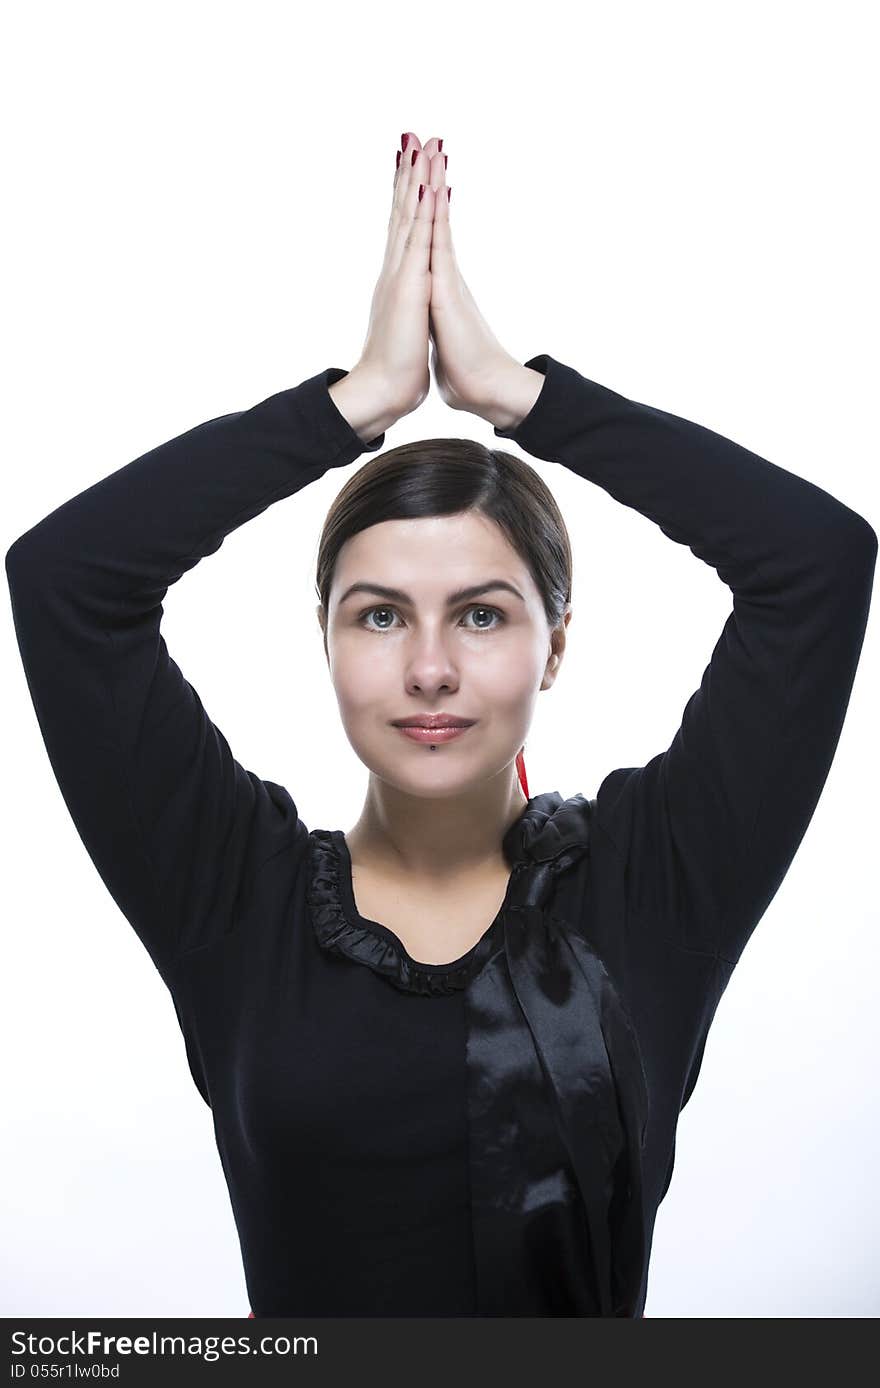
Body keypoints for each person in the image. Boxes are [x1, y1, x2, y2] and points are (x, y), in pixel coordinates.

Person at [5, 130, 876, 1320]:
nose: (427, 667)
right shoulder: (232, 895)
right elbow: (65, 584)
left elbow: (819, 566)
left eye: (479, 613)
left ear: (553, 643)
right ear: (324, 639)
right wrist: (350, 406)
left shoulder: (655, 880)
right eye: (377, 615)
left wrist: (524, 400)